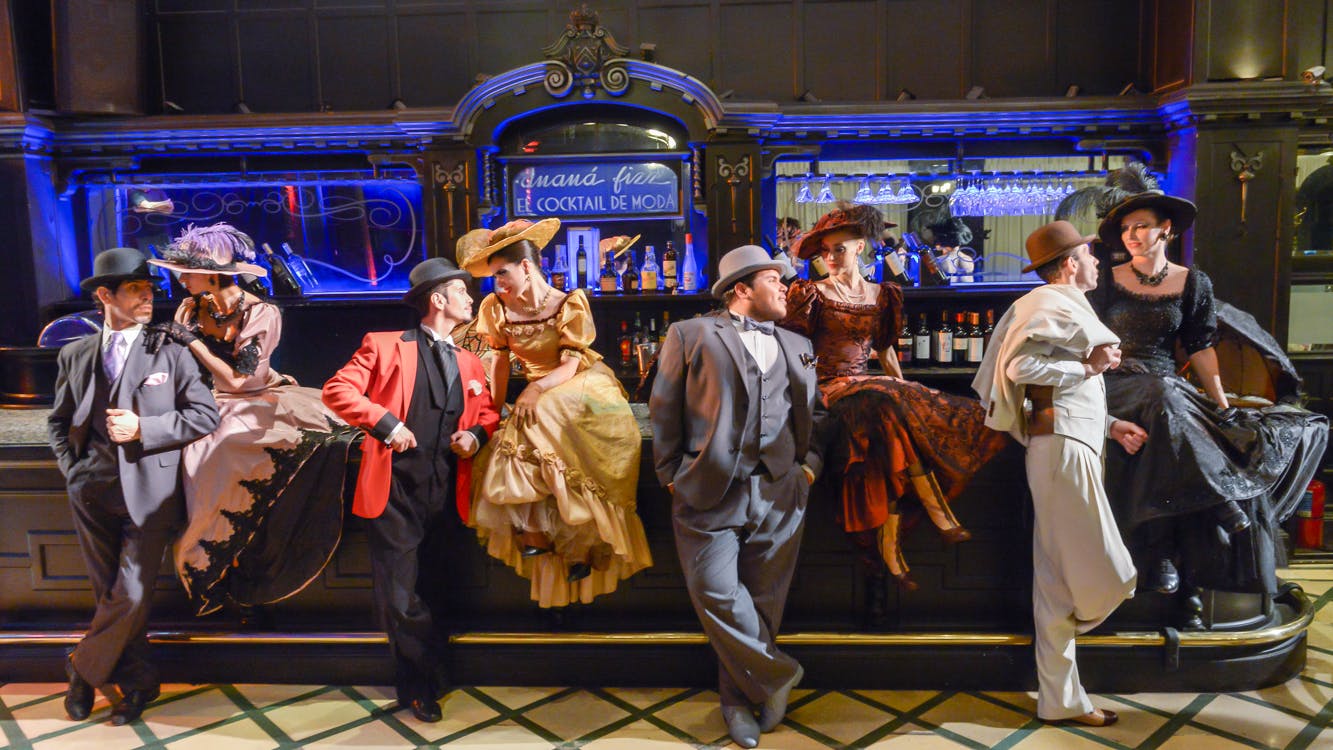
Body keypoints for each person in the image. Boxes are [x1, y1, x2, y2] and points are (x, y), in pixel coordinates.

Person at [1090, 189, 1328, 599]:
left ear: (1165, 229)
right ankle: (1216, 500)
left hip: (1167, 386)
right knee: (1163, 395)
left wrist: (1219, 404)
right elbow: (1086, 338)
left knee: (1172, 403)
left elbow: (1201, 348)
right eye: (1126, 228)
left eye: (1141, 226)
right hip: (1114, 381)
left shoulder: (1193, 282)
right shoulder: (1107, 278)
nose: (1131, 234)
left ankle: (1163, 554)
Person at [649, 245, 831, 748]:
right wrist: (671, 473)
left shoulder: (797, 344)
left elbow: (816, 413)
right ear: (742, 290)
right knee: (715, 590)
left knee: (765, 601)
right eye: (775, 280)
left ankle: (739, 700)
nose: (786, 289)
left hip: (781, 488)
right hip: (708, 487)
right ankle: (777, 674)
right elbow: (663, 405)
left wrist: (808, 470)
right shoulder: (692, 334)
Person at [783, 205, 1008, 603]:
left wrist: (905, 393)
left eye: (839, 250)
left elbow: (885, 350)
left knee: (891, 412)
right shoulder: (810, 293)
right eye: (825, 252)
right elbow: (791, 350)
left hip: (870, 392)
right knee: (882, 397)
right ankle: (935, 511)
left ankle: (890, 549)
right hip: (826, 386)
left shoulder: (884, 294)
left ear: (860, 247)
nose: (831, 259)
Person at [973, 221, 1142, 727]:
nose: (1097, 261)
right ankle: (1092, 617)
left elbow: (1059, 385)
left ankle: (1061, 700)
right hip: (1061, 449)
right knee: (1111, 572)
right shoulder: (1049, 302)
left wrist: (1110, 425)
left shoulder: (1060, 304)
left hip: (1066, 442)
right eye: (1089, 253)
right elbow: (1023, 369)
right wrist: (1088, 368)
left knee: (1054, 585)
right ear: (1070, 263)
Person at [322, 256, 499, 722]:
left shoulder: (469, 360)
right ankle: (419, 681)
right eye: (462, 292)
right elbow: (338, 391)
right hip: (394, 490)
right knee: (400, 598)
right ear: (438, 300)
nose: (470, 298)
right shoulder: (382, 346)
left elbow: (488, 414)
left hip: (447, 491)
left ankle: (426, 676)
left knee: (437, 590)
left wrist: (474, 436)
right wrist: (386, 424)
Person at [145, 223, 355, 617]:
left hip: (250, 402)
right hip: (206, 401)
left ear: (212, 273)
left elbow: (242, 381)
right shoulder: (190, 308)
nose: (179, 277)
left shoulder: (261, 312)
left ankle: (219, 563)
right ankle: (204, 568)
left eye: (186, 270)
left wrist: (191, 342)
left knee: (215, 452)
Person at [47, 247, 219, 725]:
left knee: (134, 592)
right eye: (137, 290)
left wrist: (146, 428)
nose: (149, 298)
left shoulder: (171, 351)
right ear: (106, 295)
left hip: (151, 492)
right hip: (90, 490)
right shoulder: (74, 353)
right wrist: (72, 469)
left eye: (149, 289)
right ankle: (137, 683)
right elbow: (59, 421)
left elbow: (206, 415)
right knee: (112, 597)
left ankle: (81, 669)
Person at [464, 218, 651, 607]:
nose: (498, 283)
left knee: (542, 409)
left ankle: (580, 536)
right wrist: (494, 410)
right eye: (494, 276)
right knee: (519, 426)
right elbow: (498, 363)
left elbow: (573, 363)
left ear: (528, 267)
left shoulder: (568, 302)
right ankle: (540, 534)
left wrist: (536, 388)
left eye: (504, 273)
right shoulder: (495, 308)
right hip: (541, 390)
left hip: (580, 380)